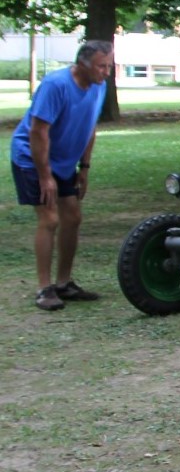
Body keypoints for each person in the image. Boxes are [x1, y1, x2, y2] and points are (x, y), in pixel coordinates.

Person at [11, 40, 113, 310]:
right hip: (32, 158)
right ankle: (44, 289)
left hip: (65, 163)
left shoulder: (98, 87)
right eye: (101, 66)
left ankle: (63, 283)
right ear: (83, 64)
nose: (106, 72)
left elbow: (89, 127)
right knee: (50, 218)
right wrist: (45, 176)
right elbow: (38, 132)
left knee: (73, 217)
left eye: (109, 66)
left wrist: (84, 168)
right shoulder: (55, 85)